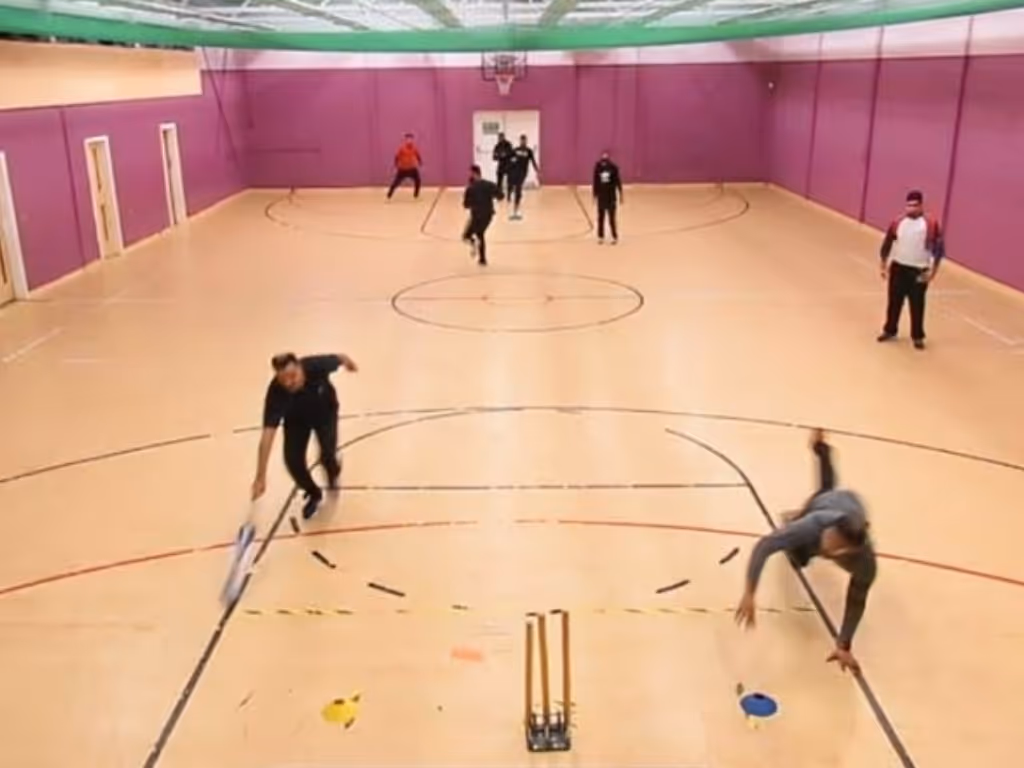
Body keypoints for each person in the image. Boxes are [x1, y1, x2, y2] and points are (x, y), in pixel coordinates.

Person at [735, 428, 876, 673]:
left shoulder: (865, 564)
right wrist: (749, 592)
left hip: (851, 504)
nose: (827, 542)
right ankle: (820, 451)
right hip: (826, 505)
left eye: (832, 544)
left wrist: (844, 644)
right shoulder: (818, 523)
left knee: (827, 494)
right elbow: (765, 545)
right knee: (809, 525)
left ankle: (822, 450)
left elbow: (856, 602)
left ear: (845, 551)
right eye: (829, 536)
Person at [252, 352, 358, 520]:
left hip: (325, 413)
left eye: (292, 376)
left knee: (327, 454)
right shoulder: (276, 393)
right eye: (283, 379)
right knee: (292, 461)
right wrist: (260, 477)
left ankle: (332, 472)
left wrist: (350, 364)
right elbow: (267, 435)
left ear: (301, 368)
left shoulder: (317, 365)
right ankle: (313, 493)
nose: (288, 383)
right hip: (296, 421)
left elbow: (340, 358)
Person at [877, 190, 945, 350]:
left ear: (921, 205)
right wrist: (883, 264)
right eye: (908, 205)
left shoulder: (931, 224)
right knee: (894, 302)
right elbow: (887, 243)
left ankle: (918, 336)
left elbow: (938, 250)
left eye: (914, 205)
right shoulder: (897, 222)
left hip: (919, 270)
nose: (910, 209)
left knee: (917, 304)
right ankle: (890, 330)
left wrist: (932, 272)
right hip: (898, 267)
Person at [462, 165, 503, 266]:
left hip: (476, 215)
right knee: (480, 234)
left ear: (474, 173)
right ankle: (482, 259)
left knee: (466, 236)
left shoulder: (470, 188)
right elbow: (501, 196)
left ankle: (473, 243)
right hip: (488, 215)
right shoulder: (489, 185)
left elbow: (466, 205)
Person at [592, 151, 624, 244]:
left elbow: (618, 182)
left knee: (611, 218)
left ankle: (614, 236)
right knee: (601, 217)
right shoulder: (598, 167)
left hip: (611, 197)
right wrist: (594, 195)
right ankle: (600, 236)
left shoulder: (613, 168)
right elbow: (595, 182)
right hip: (601, 197)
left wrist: (621, 195)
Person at [506, 134, 539, 221]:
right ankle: (511, 196)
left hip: (523, 172)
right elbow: (509, 159)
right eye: (522, 140)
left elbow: (533, 161)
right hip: (514, 171)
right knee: (511, 185)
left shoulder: (529, 151)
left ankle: (516, 208)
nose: (523, 142)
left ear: (526, 141)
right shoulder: (516, 150)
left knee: (518, 187)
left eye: (524, 140)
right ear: (520, 141)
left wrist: (537, 169)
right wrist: (509, 165)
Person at [387, 133, 422, 200]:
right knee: (396, 182)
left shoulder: (414, 148)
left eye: (411, 139)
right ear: (406, 140)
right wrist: (396, 164)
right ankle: (389, 195)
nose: (409, 141)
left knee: (418, 181)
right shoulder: (402, 148)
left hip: (412, 169)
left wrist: (420, 162)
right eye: (408, 139)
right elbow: (397, 157)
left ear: (412, 140)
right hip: (403, 169)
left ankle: (416, 195)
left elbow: (418, 155)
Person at [492, 132, 514, 198]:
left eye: (501, 137)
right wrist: (499, 156)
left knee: (510, 180)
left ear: (504, 137)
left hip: (508, 164)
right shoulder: (497, 146)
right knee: (499, 180)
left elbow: (511, 153)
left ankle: (510, 193)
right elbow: (494, 157)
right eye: (499, 138)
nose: (500, 139)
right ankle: (499, 194)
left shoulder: (508, 144)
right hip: (501, 164)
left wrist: (505, 155)